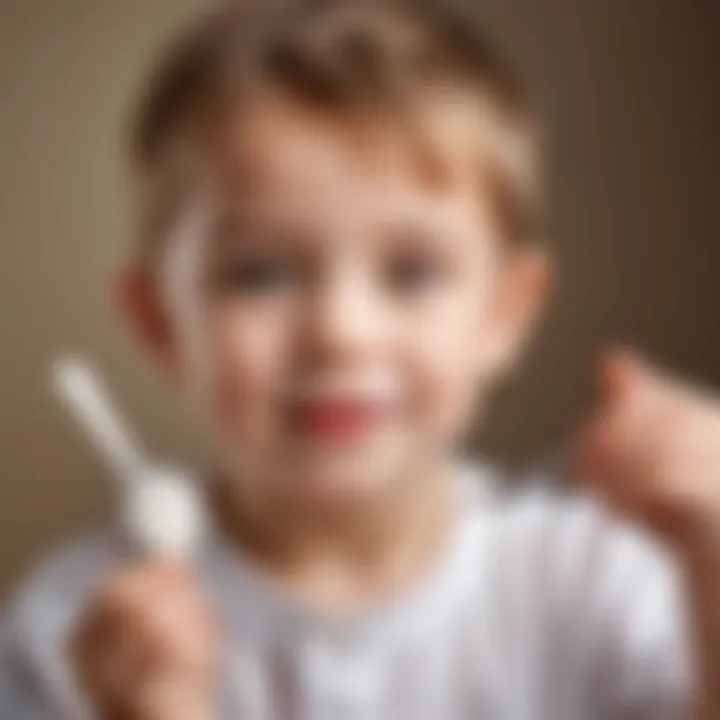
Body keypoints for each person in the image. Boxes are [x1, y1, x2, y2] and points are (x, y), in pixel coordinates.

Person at [1, 0, 718, 717]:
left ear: (504, 316)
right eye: (259, 273)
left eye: (411, 272)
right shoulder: (71, 626)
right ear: (160, 323)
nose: (340, 332)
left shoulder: (595, 583)